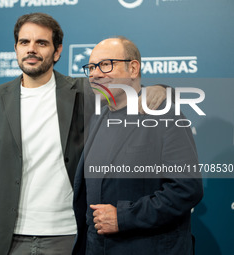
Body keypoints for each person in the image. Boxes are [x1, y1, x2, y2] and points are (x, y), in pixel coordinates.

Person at [0, 13, 167, 255]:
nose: (31, 49)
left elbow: (129, 90)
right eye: (25, 42)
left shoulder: (84, 91)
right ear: (16, 48)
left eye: (41, 43)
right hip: (10, 239)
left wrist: (160, 89)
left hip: (68, 235)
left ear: (57, 52)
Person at [72, 37, 203, 255]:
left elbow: (187, 189)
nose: (95, 74)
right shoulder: (98, 116)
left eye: (106, 64)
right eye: (92, 67)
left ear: (133, 68)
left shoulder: (164, 113)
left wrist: (123, 217)